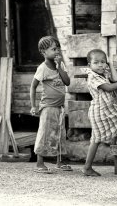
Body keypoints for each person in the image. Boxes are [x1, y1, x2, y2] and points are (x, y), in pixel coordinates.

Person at [82, 49, 117, 177]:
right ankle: (87, 167)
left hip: (106, 109)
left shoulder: (103, 72)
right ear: (90, 65)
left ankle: (87, 167)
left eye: (103, 62)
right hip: (99, 111)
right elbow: (109, 87)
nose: (100, 65)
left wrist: (110, 65)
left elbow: (113, 78)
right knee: (95, 140)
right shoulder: (93, 77)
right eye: (96, 62)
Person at [30, 36, 71, 174]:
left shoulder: (60, 65)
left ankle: (59, 162)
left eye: (58, 48)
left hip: (60, 107)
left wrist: (60, 67)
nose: (57, 51)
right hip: (48, 107)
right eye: (53, 49)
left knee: (59, 134)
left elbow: (67, 82)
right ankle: (39, 163)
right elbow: (33, 86)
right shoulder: (42, 68)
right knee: (45, 134)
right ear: (43, 52)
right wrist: (33, 106)